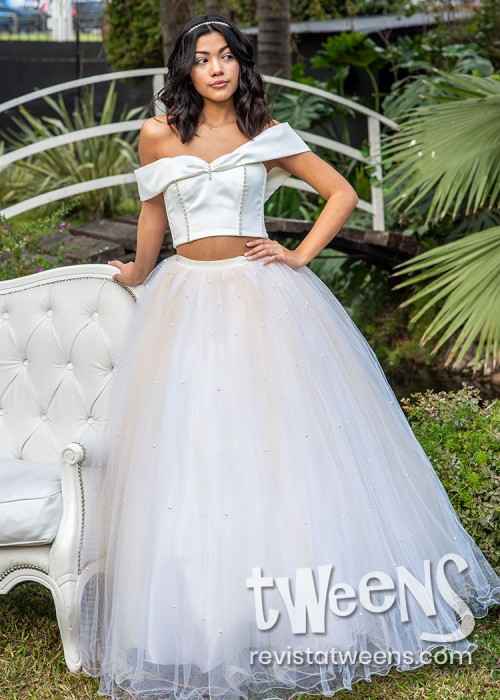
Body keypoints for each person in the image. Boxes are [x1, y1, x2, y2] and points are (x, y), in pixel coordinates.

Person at [78, 12, 499, 700]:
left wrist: (298, 253)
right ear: (185, 69)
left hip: (259, 297)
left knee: (274, 445)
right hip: (184, 296)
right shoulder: (158, 133)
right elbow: (153, 216)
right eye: (202, 58)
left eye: (226, 57)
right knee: (193, 449)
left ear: (242, 64)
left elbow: (342, 194)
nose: (216, 68)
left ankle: (300, 612)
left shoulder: (268, 135)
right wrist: (135, 272)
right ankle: (198, 616)